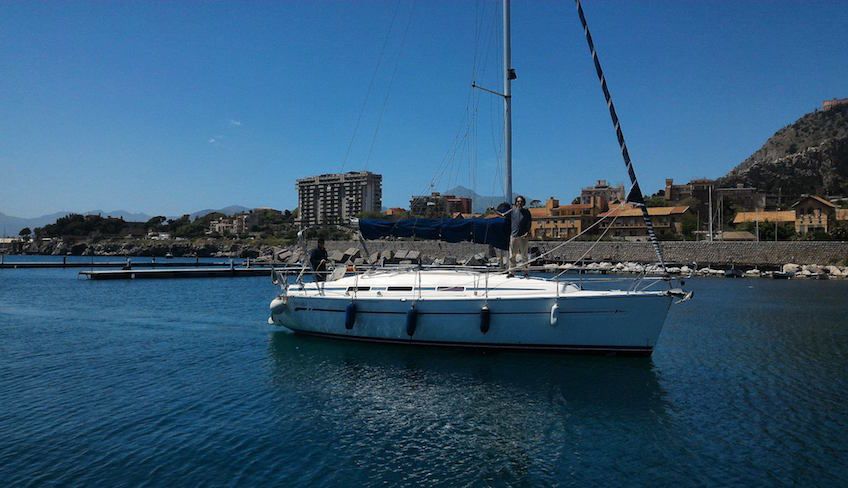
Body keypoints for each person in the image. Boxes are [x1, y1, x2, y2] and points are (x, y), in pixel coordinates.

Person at [502, 195, 532, 276]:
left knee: (524, 255)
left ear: (524, 202)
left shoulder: (527, 212)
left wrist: (527, 232)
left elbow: (529, 223)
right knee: (512, 255)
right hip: (514, 236)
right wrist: (493, 211)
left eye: (521, 201)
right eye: (518, 201)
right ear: (516, 202)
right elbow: (502, 214)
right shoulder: (512, 210)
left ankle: (525, 272)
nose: (520, 203)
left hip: (524, 236)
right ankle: (511, 272)